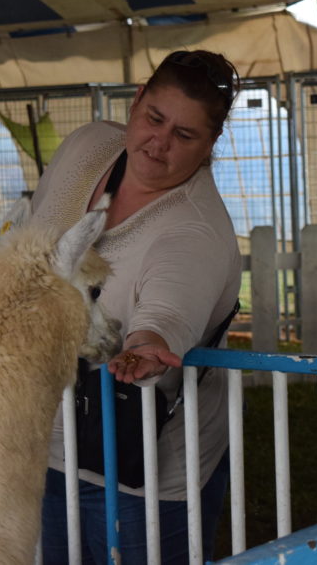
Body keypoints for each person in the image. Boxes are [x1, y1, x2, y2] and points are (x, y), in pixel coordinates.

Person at [32, 50, 242, 564]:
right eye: (154, 118)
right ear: (137, 101)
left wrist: (147, 348)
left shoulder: (195, 230)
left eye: (185, 135)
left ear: (210, 144)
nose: (160, 142)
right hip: (46, 437)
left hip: (143, 473)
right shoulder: (88, 146)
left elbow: (167, 316)